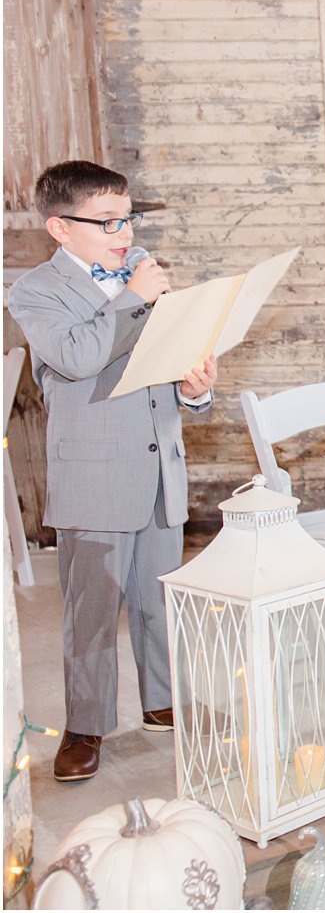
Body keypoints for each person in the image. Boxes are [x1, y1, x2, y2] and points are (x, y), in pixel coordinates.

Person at [7, 160, 217, 783]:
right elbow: (77, 358)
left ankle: (161, 700)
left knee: (157, 600)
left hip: (158, 468)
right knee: (91, 610)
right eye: (105, 222)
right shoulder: (34, 292)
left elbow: (172, 353)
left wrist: (197, 387)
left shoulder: (141, 268)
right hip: (94, 476)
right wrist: (132, 299)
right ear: (59, 228)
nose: (123, 233)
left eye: (127, 218)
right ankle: (86, 725)